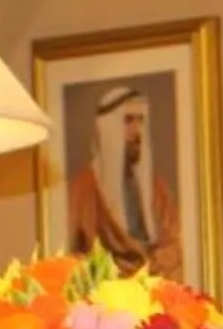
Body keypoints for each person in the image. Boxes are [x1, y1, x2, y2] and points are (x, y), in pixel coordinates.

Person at [68, 85, 185, 278]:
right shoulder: (84, 188)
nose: (137, 130)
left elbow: (173, 240)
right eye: (128, 120)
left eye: (140, 120)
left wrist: (151, 268)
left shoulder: (156, 187)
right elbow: (74, 255)